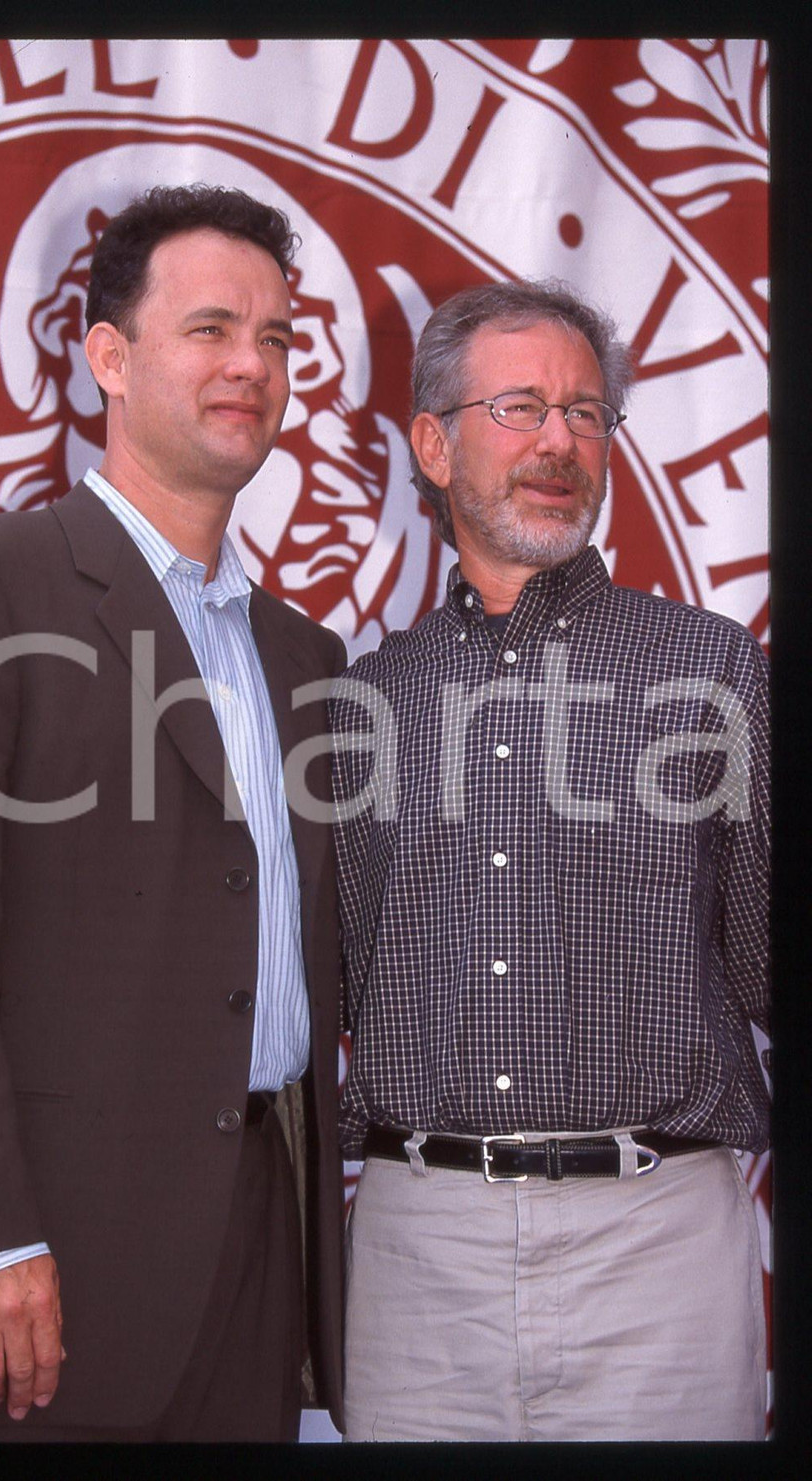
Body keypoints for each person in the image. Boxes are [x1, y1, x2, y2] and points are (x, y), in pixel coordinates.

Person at [0, 183, 346, 1442]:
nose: (252, 365)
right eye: (212, 329)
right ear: (107, 358)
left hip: (255, 1258)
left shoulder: (305, 653)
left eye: (278, 338)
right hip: (41, 1274)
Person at [330, 278, 769, 1442]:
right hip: (417, 1260)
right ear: (432, 441)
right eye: (518, 407)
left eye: (586, 413)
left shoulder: (717, 674)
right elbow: (330, 982)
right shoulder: (363, 705)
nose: (558, 442)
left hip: (660, 1250)